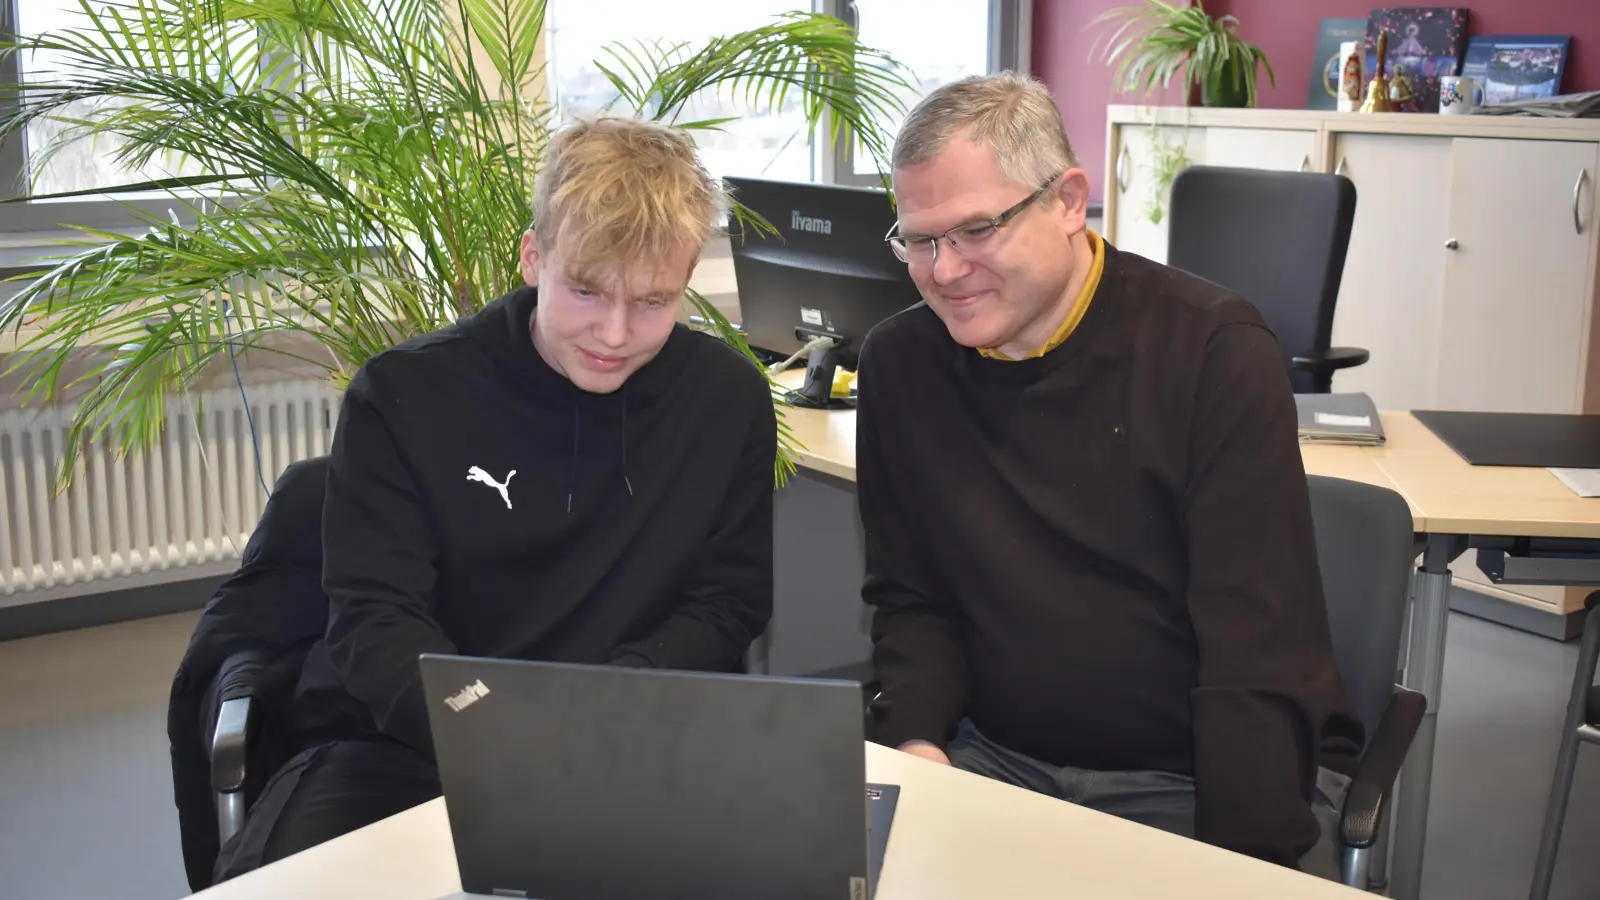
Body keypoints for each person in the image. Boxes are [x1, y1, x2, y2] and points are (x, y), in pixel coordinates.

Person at [212, 116, 777, 881]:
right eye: (584, 290)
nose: (614, 333)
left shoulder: (727, 398)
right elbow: (375, 619)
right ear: (532, 257)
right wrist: (492, 730)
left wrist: (598, 711)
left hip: (629, 736)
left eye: (653, 302)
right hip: (413, 744)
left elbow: (728, 602)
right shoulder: (407, 395)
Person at [857, 72, 1365, 871]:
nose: (944, 271)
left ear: (1067, 201)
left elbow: (1256, 644)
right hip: (989, 756)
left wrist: (1241, 866)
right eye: (918, 240)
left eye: (975, 230)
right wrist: (915, 743)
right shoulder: (900, 363)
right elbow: (910, 598)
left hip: (1190, 777)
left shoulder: (1211, 352)